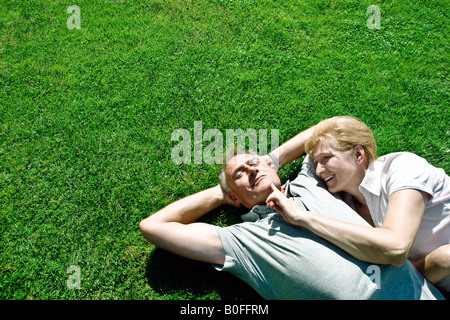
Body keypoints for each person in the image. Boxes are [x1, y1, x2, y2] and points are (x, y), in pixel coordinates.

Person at [139, 141, 444, 299]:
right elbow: (153, 227)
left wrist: (274, 158)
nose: (251, 170)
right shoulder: (242, 241)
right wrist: (220, 193)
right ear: (236, 199)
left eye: (254, 162)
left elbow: (324, 128)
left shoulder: (309, 181)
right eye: (240, 175)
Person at [266, 116, 450, 295]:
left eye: (326, 158)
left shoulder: (403, 168)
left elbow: (397, 247)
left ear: (358, 154)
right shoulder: (342, 206)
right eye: (316, 162)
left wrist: (305, 218)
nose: (320, 170)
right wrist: (270, 162)